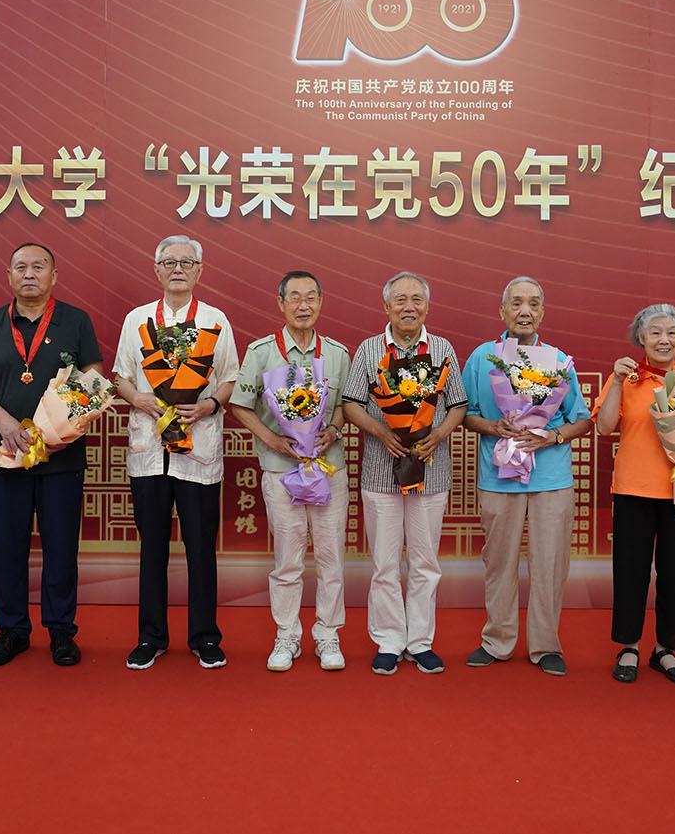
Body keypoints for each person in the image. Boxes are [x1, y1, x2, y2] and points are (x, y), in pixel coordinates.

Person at [0, 243, 103, 668]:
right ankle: (11, 631)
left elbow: (95, 379)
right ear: (8, 276)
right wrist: (5, 423)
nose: (29, 274)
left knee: (61, 548)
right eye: (21, 267)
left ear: (54, 275)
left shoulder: (76, 321)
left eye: (39, 266)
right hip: (6, 454)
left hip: (61, 457)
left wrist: (59, 430)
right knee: (7, 549)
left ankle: (61, 631)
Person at [113, 235, 238, 670]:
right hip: (149, 449)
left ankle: (205, 636)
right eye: (169, 262)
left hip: (197, 447)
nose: (178, 269)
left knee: (201, 547)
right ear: (157, 270)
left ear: (200, 270)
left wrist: (209, 405)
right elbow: (121, 376)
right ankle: (151, 636)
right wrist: (138, 398)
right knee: (152, 547)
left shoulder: (215, 320)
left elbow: (229, 377)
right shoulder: (137, 319)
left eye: (187, 262)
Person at [461, 277, 592, 677]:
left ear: (542, 313)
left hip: (551, 477)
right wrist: (492, 426)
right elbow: (464, 413)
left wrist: (553, 435)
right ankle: (497, 640)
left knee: (550, 564)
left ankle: (546, 644)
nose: (524, 311)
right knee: (498, 562)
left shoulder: (559, 360)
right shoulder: (482, 357)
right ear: (502, 311)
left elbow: (581, 420)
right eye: (516, 303)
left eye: (533, 304)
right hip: (498, 475)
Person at [341, 271, 467, 676]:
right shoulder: (369, 349)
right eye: (400, 300)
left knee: (425, 561)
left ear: (427, 306)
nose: (409, 307)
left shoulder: (443, 348)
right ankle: (389, 640)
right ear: (386, 307)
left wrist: (438, 435)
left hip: (431, 470)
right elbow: (351, 404)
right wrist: (381, 431)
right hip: (381, 471)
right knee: (384, 562)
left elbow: (458, 404)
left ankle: (420, 641)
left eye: (416, 299)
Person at [592, 304, 675, 686]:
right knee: (630, 573)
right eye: (655, 333)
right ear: (641, 339)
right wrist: (617, 382)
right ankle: (629, 647)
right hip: (633, 489)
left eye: (671, 333)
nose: (664, 340)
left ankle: (666, 649)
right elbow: (603, 427)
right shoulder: (626, 378)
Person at [228, 271, 351, 672]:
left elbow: (344, 405)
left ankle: (328, 635)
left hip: (328, 468)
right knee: (288, 560)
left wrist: (333, 430)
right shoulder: (262, 352)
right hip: (281, 470)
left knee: (331, 557)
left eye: (311, 297)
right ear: (280, 303)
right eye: (295, 297)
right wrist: (273, 440)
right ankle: (287, 635)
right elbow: (240, 404)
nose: (303, 305)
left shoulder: (337, 353)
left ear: (321, 302)